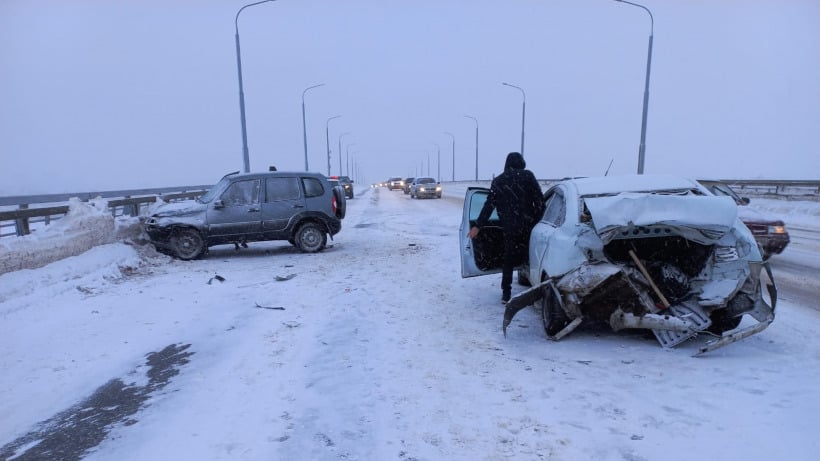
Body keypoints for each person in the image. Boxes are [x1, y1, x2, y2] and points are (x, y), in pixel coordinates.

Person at [467, 152, 543, 304]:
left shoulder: (499, 181)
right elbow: (539, 200)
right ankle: (537, 290)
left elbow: (489, 206)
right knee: (533, 256)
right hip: (529, 225)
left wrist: (478, 226)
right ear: (522, 162)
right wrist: (536, 218)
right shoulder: (528, 176)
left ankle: (506, 293)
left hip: (509, 226)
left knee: (508, 259)